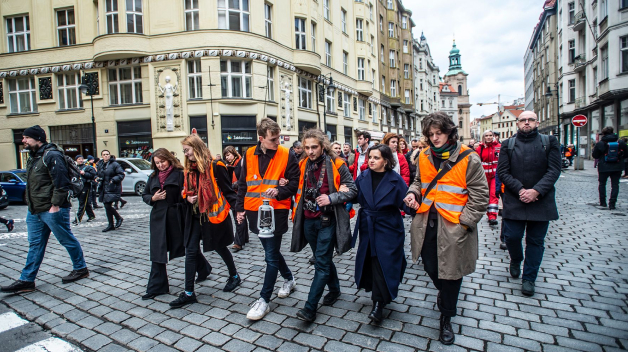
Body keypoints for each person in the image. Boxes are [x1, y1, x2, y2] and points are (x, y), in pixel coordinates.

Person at [404, 112, 488, 345]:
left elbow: (480, 195)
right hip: (427, 222)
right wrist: (412, 193)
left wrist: (464, 223)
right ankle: (445, 295)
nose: (434, 138)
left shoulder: (468, 157)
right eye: (430, 135)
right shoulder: (423, 155)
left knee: (451, 273)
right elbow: (419, 181)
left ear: (449, 132)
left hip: (454, 226)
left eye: (438, 133)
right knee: (431, 266)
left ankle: (446, 318)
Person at [1, 126, 88, 294]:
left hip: (52, 209)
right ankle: (27, 280)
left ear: (38, 138)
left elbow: (61, 183)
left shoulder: (52, 155)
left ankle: (81, 268)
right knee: (35, 244)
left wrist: (55, 205)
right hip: (35, 210)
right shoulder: (34, 157)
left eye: (26, 138)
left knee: (66, 239)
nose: (23, 141)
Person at [236, 118, 300, 321]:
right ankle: (289, 279)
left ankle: (264, 300)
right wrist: (239, 209)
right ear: (261, 138)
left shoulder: (286, 154)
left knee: (270, 255)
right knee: (270, 251)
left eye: (279, 137)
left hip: (277, 211)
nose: (278, 142)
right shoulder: (248, 154)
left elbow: (296, 183)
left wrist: (280, 190)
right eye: (274, 139)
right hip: (256, 211)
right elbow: (242, 184)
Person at [290, 129, 357, 322]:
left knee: (320, 262)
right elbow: (296, 186)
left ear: (322, 146)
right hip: (308, 220)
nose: (310, 151)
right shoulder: (302, 164)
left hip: (327, 220)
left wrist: (332, 197)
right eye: (307, 147)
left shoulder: (337, 163)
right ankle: (335, 290)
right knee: (323, 259)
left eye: (314, 147)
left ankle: (310, 308)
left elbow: (352, 190)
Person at [169, 135, 242, 308]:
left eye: (187, 150)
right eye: (184, 151)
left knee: (219, 247)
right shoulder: (189, 170)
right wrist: (187, 197)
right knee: (191, 251)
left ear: (197, 148)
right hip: (194, 216)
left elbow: (228, 191)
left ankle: (234, 276)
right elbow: (184, 191)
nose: (186, 154)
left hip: (212, 216)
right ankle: (188, 293)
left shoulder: (216, 166)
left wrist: (238, 210)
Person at [497, 111, 561, 297]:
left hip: (541, 201)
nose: (526, 123)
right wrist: (520, 190)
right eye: (523, 120)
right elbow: (503, 171)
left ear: (536, 122)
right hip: (515, 199)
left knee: (535, 242)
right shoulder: (508, 144)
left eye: (530, 120)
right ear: (517, 123)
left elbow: (554, 170)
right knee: (512, 237)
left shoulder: (549, 142)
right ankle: (516, 258)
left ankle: (529, 279)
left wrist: (536, 191)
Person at [353, 144, 412, 323]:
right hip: (368, 226)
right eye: (370, 157)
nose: (371, 160)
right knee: (371, 261)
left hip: (389, 228)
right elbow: (353, 196)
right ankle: (377, 296)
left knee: (384, 262)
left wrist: (413, 204)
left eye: (376, 158)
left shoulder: (396, 180)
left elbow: (406, 205)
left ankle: (378, 304)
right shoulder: (362, 177)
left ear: (386, 161)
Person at [141, 148, 192, 300]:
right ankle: (157, 286)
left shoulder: (180, 174)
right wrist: (153, 198)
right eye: (157, 163)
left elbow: (186, 193)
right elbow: (145, 195)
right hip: (158, 218)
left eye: (162, 161)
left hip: (176, 216)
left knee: (186, 246)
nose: (160, 165)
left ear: (169, 159)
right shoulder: (153, 176)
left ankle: (203, 269)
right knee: (157, 251)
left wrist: (185, 199)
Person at [591, 126, 628, 210]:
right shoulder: (620, 142)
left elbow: (595, 155)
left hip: (603, 167)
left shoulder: (600, 143)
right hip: (617, 166)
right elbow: (626, 154)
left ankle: (603, 202)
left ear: (603, 133)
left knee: (602, 184)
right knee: (615, 185)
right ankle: (612, 204)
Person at [223, 146, 249, 252]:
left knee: (238, 216)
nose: (227, 157)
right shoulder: (230, 165)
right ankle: (244, 237)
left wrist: (234, 185)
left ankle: (238, 242)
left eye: (228, 155)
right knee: (240, 215)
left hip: (241, 193)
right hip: (235, 194)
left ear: (234, 153)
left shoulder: (240, 163)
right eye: (226, 156)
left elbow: (245, 178)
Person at [476, 130, 501, 226]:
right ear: (484, 137)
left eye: (491, 135)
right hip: (484, 176)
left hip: (495, 176)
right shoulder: (480, 148)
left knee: (493, 195)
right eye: (487, 135)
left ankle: (492, 216)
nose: (489, 137)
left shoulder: (498, 147)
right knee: (485, 195)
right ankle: (488, 212)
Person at [97, 150, 125, 232]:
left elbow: (121, 174)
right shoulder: (100, 164)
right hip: (104, 187)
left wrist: (113, 180)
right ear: (101, 156)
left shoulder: (114, 164)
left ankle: (118, 218)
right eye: (104, 154)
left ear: (110, 155)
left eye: (107, 154)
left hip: (112, 187)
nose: (106, 156)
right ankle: (111, 224)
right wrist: (97, 178)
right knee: (106, 206)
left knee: (107, 205)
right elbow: (99, 174)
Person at [73, 155, 97, 225]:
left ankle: (78, 218)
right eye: (79, 159)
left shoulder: (87, 167)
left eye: (81, 159)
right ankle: (91, 216)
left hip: (85, 186)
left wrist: (84, 174)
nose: (80, 160)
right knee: (85, 203)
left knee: (82, 203)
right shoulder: (75, 167)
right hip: (77, 188)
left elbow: (93, 175)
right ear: (76, 160)